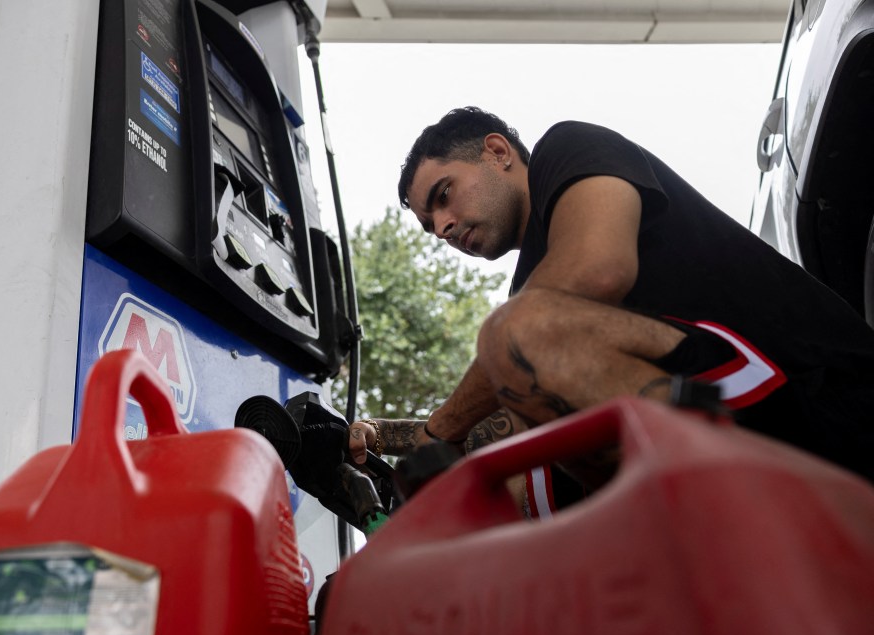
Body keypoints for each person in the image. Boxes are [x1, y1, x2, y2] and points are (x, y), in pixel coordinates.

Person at [347, 107, 874, 515]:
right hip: (733, 431)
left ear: (497, 152)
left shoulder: (568, 149)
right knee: (522, 464)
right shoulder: (532, 297)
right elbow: (501, 428)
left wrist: (441, 430)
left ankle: (719, 528)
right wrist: (383, 433)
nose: (441, 226)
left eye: (444, 195)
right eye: (428, 223)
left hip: (817, 401)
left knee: (521, 335)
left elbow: (599, 272)